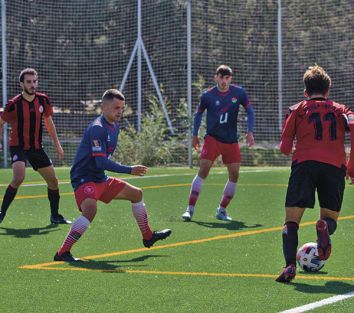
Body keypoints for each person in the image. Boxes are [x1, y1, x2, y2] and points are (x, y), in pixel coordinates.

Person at [53, 89, 171, 262]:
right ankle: (62, 253)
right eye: (116, 108)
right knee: (90, 210)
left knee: (137, 194)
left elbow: (101, 163)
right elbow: (101, 162)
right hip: (84, 178)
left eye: (122, 108)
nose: (120, 112)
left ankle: (148, 236)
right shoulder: (97, 129)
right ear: (103, 107)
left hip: (100, 178)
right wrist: (129, 169)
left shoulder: (114, 127)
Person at [276, 65, 354, 283]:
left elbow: (284, 147)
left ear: (305, 91)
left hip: (304, 165)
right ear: (328, 90)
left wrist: (292, 147)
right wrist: (351, 165)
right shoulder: (341, 110)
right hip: (334, 166)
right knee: (330, 219)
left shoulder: (297, 109)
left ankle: (290, 265)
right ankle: (324, 228)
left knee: (291, 221)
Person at [182, 65, 255, 222]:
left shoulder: (239, 93)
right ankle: (190, 209)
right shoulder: (207, 95)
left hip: (231, 140)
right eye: (221, 77)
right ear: (215, 77)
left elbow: (250, 111)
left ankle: (221, 210)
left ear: (231, 79)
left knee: (234, 175)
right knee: (204, 170)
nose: (224, 81)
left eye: (227, 78)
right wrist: (194, 135)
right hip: (212, 139)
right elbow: (198, 114)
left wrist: (250, 131)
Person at [0, 68, 70, 224]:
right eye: (29, 82)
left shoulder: (43, 100)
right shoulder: (13, 104)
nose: (32, 85)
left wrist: (57, 145)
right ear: (21, 84)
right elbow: (0, 123)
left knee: (53, 181)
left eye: (34, 81)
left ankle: (55, 216)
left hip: (36, 148)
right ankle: (1, 212)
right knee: (19, 177)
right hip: (18, 147)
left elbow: (49, 123)